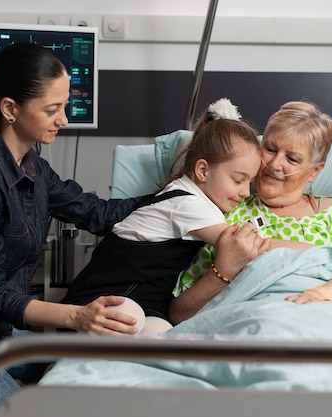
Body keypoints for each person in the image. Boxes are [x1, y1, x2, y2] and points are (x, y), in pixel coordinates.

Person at [0, 42, 157, 417]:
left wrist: (177, 194)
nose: (63, 119)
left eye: (64, 106)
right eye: (52, 109)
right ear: (10, 109)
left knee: (94, 367)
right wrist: (78, 317)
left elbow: (97, 213)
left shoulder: (32, 164)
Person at [170, 100, 332, 324]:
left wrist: (324, 293)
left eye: (292, 158)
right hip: (250, 321)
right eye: (269, 149)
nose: (275, 163)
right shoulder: (227, 210)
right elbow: (180, 313)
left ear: (315, 171)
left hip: (328, 319)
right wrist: (223, 272)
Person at [59, 98, 263, 332]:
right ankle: (62, 360)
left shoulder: (202, 202)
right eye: (238, 180)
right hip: (102, 299)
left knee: (164, 338)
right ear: (203, 170)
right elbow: (241, 243)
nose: (246, 192)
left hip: (149, 304)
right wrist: (310, 248)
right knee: (129, 317)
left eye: (250, 182)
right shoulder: (186, 203)